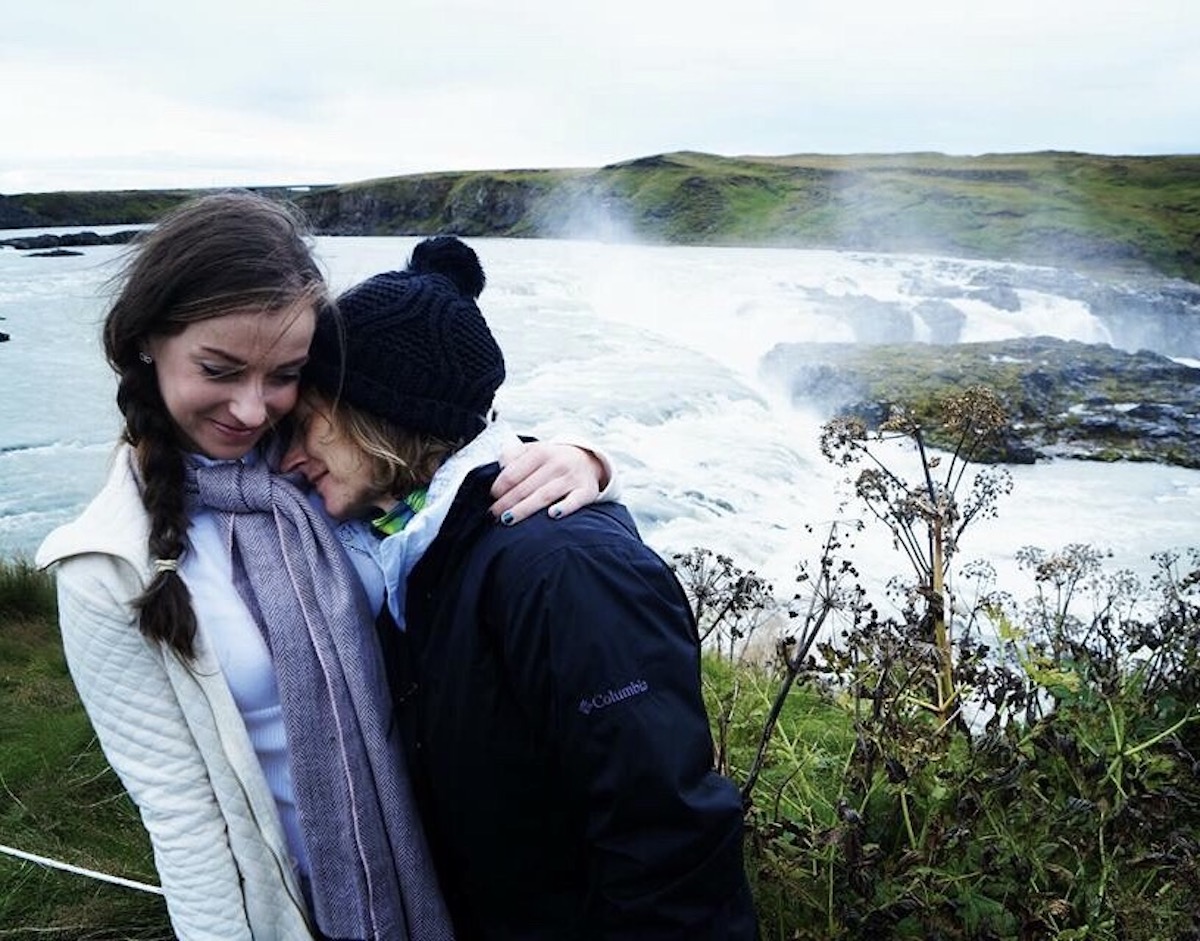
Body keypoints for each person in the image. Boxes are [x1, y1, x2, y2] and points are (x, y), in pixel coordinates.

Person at [34, 192, 613, 941]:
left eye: (283, 374)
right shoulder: (105, 567)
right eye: (219, 368)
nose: (250, 409)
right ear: (148, 340)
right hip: (303, 912)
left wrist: (584, 456)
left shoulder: (317, 464)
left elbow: (453, 447)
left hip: (455, 877)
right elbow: (183, 821)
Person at [282, 236, 759, 939]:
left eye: (306, 423)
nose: (289, 457)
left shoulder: (566, 572)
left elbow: (670, 856)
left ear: (379, 411)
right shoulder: (413, 552)